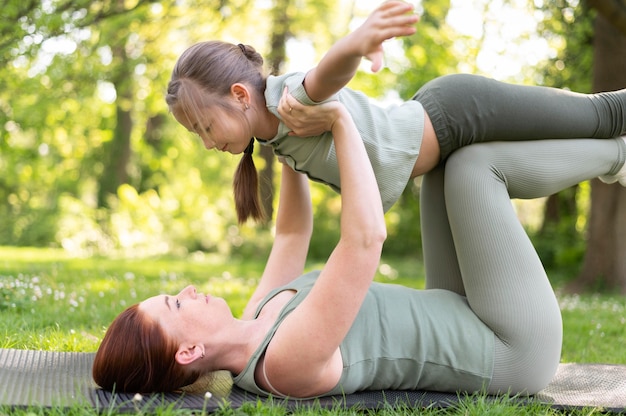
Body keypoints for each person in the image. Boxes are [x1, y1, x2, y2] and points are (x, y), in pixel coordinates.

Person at [92, 94, 626, 396]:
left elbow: (292, 233)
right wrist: (341, 124)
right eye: (175, 304)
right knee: (471, 168)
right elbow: (366, 238)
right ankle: (618, 154)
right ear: (188, 352)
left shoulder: (259, 316)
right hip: (511, 349)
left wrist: (277, 135)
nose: (187, 290)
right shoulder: (281, 363)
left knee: (440, 169)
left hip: (464, 307)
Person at [164, 0, 626, 223]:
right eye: (197, 135)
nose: (207, 142)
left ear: (241, 96)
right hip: (446, 149)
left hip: (457, 113)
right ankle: (616, 159)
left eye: (206, 125)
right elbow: (292, 232)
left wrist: (357, 41)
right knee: (581, 150)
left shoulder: (288, 102)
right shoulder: (274, 140)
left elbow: (325, 75)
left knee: (602, 113)